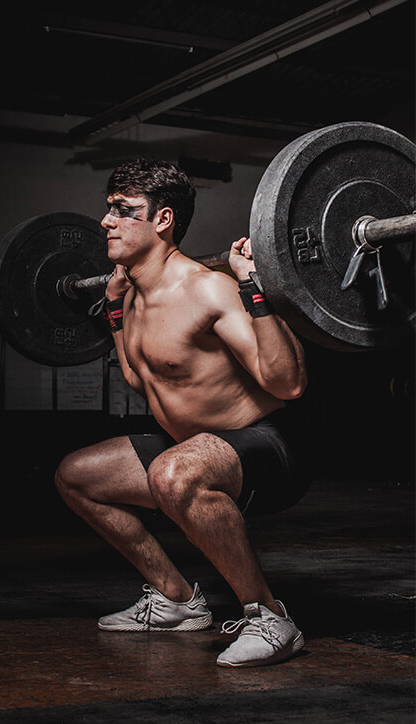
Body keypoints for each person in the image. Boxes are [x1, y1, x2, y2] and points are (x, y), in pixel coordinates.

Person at [55, 158, 311, 668]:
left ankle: (270, 617)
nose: (106, 221)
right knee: (76, 476)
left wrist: (253, 286)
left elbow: (288, 383)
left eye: (123, 210)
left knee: (174, 473)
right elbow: (139, 378)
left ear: (163, 220)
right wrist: (113, 309)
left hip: (268, 444)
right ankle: (176, 600)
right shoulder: (133, 296)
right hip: (189, 446)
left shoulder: (207, 289)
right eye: (108, 209)